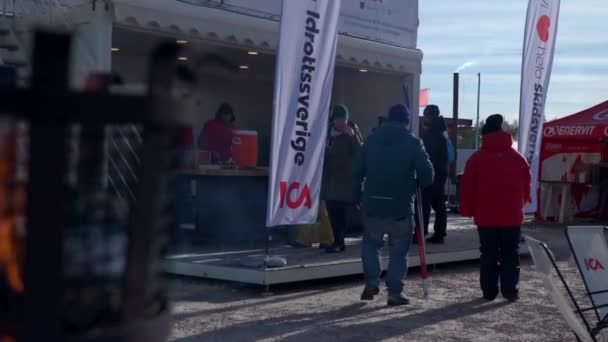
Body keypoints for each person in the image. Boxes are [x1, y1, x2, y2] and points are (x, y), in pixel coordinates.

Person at [354, 104, 433, 306]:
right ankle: (394, 293)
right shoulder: (413, 143)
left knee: (371, 245)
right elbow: (428, 175)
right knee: (399, 251)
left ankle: (371, 281)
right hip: (400, 206)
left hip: (373, 204)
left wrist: (356, 196)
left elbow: (357, 171)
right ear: (406, 121)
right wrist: (417, 182)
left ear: (388, 119)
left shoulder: (371, 140)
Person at [460, 114, 531, 302]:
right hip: (512, 215)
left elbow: (468, 187)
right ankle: (510, 291)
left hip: (486, 215)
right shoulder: (518, 158)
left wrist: (467, 210)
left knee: (488, 254)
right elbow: (526, 186)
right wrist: (520, 207)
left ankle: (489, 292)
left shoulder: (476, 158)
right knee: (510, 253)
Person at [321, 104, 362, 253]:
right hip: (329, 179)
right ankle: (334, 240)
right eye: (338, 119)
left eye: (343, 119)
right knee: (331, 212)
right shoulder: (327, 133)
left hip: (344, 181)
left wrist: (352, 137)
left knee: (340, 213)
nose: (341, 122)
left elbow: (360, 154)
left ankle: (339, 242)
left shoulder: (352, 133)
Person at [421, 105, 449, 244]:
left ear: (431, 116)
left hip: (434, 173)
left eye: (426, 115)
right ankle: (439, 233)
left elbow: (427, 155)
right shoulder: (440, 132)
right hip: (440, 172)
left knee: (427, 203)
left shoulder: (433, 135)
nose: (424, 118)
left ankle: (424, 231)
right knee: (438, 204)